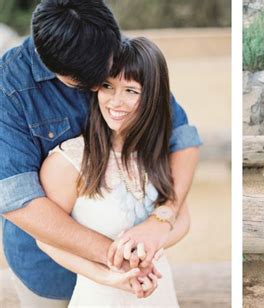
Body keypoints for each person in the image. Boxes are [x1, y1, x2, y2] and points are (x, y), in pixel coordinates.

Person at [0, 0, 200, 306]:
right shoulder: (9, 88)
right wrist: (123, 259)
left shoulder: (110, 47)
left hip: (141, 275)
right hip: (50, 273)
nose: (107, 96)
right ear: (52, 65)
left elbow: (180, 138)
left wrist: (161, 221)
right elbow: (19, 202)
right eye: (100, 84)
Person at [36, 36, 189, 306]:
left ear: (152, 95)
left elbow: (183, 218)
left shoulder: (160, 153)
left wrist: (150, 243)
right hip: (100, 295)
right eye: (108, 86)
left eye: (130, 90)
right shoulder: (69, 160)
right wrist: (108, 275)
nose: (116, 102)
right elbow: (45, 240)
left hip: (158, 292)